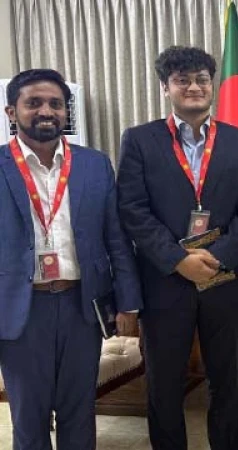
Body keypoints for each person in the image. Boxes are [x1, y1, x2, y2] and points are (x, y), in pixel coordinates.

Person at [116, 46, 238, 450]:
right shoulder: (139, 140)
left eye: (202, 79)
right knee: (164, 382)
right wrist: (177, 259)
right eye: (182, 80)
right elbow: (132, 209)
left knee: (226, 379)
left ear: (212, 85)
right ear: (165, 87)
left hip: (226, 277)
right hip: (164, 281)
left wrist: (219, 256)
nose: (194, 87)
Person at [0, 69, 142, 449]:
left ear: (66, 111)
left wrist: (128, 301)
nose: (46, 111)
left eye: (56, 104)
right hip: (20, 311)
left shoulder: (95, 164)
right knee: (28, 418)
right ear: (11, 112)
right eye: (34, 103)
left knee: (79, 414)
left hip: (82, 306)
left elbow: (116, 238)